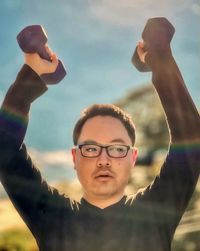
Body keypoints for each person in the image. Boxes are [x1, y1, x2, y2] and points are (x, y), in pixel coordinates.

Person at [0, 20, 200, 251]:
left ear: (132, 157)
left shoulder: (156, 211)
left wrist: (160, 58)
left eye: (116, 149)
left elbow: (191, 136)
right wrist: (31, 76)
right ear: (75, 158)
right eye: (91, 148)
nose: (103, 160)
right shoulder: (52, 217)